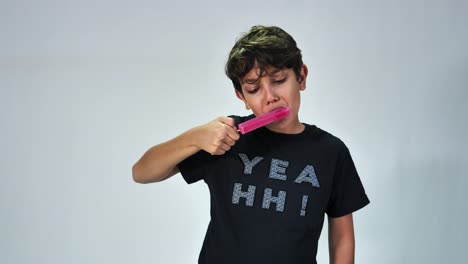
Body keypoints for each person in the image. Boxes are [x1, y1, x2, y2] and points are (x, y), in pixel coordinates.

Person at [132, 25, 370, 264]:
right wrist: (194, 138)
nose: (270, 97)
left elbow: (342, 237)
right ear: (241, 97)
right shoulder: (226, 138)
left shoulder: (330, 151)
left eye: (279, 80)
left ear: (301, 77)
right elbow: (141, 172)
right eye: (254, 89)